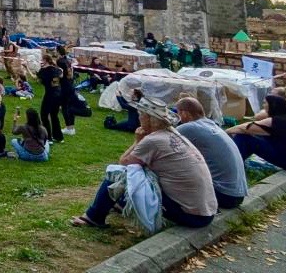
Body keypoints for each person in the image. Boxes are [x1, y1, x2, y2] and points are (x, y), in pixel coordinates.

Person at [72, 96, 217, 230]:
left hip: (191, 216)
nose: (138, 117)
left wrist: (137, 141)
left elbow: (123, 163)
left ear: (148, 118)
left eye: (140, 114)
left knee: (117, 174)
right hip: (206, 212)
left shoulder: (153, 140)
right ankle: (121, 204)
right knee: (144, 171)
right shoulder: (174, 133)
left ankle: (93, 217)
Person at [175, 97, 248, 210]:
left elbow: (163, 140)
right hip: (238, 194)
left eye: (178, 113)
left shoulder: (189, 128)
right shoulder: (212, 125)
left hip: (224, 195)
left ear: (184, 114)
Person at [226, 94, 286, 171]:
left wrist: (225, 132)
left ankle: (231, 165)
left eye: (265, 103)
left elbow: (245, 128)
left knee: (244, 138)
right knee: (253, 135)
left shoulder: (274, 121)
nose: (263, 106)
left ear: (272, 105)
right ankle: (236, 163)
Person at [37, 54, 65, 143]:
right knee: (54, 115)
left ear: (45, 60)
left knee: (44, 115)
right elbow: (61, 75)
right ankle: (59, 137)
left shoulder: (43, 70)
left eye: (42, 59)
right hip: (58, 94)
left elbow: (37, 79)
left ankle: (48, 137)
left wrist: (26, 67)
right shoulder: (56, 69)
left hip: (50, 94)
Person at [56, 46, 77, 136]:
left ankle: (69, 127)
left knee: (64, 107)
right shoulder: (67, 60)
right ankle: (72, 127)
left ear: (58, 52)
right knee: (70, 106)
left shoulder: (60, 61)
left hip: (64, 85)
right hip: (70, 84)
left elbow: (59, 74)